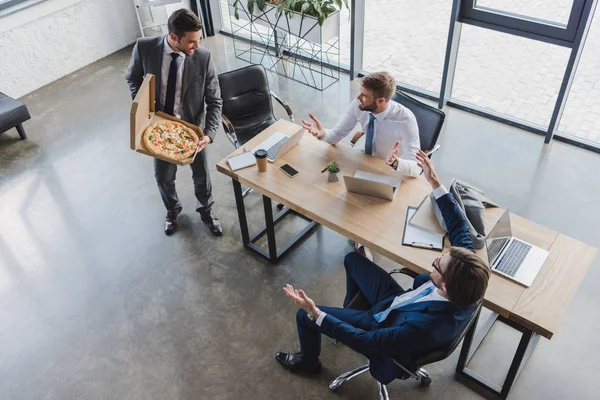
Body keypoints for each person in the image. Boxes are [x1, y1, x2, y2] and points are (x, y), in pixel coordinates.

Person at [276, 150, 490, 385]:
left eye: (437, 264)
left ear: (446, 286)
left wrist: (315, 313)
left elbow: (366, 342)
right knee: (353, 260)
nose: (438, 257)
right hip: (397, 302)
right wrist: (434, 182)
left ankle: (310, 363)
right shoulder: (469, 277)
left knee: (304, 315)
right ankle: (349, 313)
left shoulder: (425, 328)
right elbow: (459, 227)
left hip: (382, 324)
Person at [303, 71, 420, 261]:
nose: (358, 97)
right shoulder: (359, 106)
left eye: (364, 95)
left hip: (386, 173)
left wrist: (396, 162)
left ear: (381, 101)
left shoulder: (405, 119)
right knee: (327, 196)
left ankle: (365, 242)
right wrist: (322, 133)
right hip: (363, 165)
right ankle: (360, 238)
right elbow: (337, 135)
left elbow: (416, 168)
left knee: (364, 212)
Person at [125, 9, 223, 236]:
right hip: (158, 128)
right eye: (191, 41)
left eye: (198, 40)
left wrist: (208, 133)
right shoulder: (145, 48)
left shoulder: (204, 57)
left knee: (202, 175)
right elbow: (132, 77)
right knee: (163, 176)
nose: (196, 46)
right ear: (173, 37)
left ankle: (206, 210)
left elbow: (215, 100)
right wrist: (143, 102)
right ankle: (172, 210)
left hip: (192, 129)